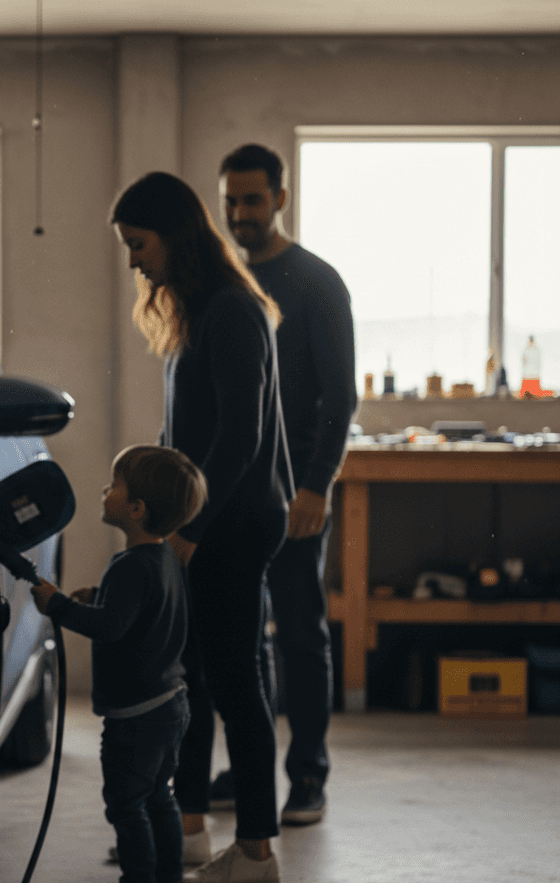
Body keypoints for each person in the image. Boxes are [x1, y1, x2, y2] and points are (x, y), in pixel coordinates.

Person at [111, 171, 294, 883]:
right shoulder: (197, 310)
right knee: (190, 675)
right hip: (206, 524)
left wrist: (189, 529)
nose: (133, 262)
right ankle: (187, 829)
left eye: (138, 244)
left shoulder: (230, 311)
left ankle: (256, 851)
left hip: (235, 525)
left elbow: (241, 438)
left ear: (174, 234)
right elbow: (184, 432)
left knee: (235, 680)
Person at [209, 144, 356, 824]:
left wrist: (318, 486)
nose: (239, 213)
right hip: (234, 494)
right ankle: (248, 772)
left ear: (281, 200)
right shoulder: (220, 284)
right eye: (230, 201)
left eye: (253, 200)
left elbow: (340, 396)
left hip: (295, 494)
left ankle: (309, 777)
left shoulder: (316, 282)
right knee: (241, 639)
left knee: (300, 634)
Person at [32, 445, 207, 883]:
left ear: (136, 510)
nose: (104, 492)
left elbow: (110, 628)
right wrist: (100, 598)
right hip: (171, 703)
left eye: (114, 486)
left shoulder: (129, 566)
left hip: (136, 717)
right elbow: (136, 615)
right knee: (159, 797)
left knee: (127, 805)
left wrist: (59, 606)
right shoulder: (166, 558)